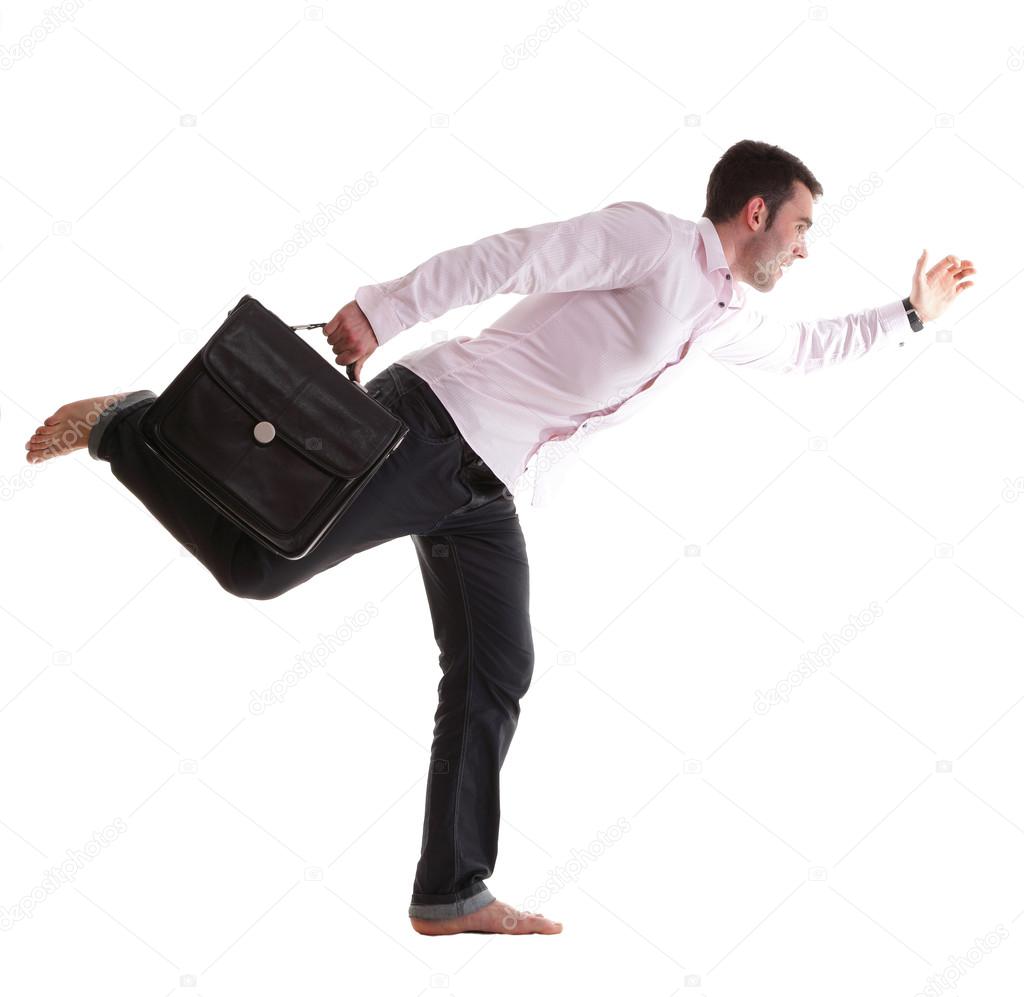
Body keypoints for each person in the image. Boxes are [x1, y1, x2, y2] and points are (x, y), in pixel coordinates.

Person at [24, 139, 975, 936]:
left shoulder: (721, 312)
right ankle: (127, 426)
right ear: (758, 212)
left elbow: (805, 349)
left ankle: (449, 890)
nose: (808, 249)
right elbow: (515, 256)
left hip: (485, 488)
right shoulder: (652, 240)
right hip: (436, 422)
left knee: (495, 668)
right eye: (805, 226)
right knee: (257, 567)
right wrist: (385, 309)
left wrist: (907, 317)